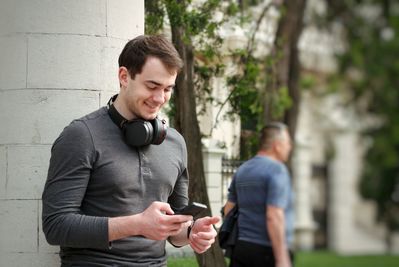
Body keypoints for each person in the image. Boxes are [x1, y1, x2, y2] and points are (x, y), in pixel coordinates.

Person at [42, 34, 219, 267]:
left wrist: (191, 232)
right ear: (124, 76)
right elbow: (56, 226)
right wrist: (137, 224)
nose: (159, 98)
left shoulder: (175, 142)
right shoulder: (82, 136)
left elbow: (175, 222)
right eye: (152, 86)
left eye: (167, 89)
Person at [223, 122, 294, 267]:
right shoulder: (277, 170)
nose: (289, 147)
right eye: (287, 143)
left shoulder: (242, 169)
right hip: (267, 250)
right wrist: (282, 259)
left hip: (241, 248)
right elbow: (274, 215)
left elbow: (228, 210)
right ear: (277, 145)